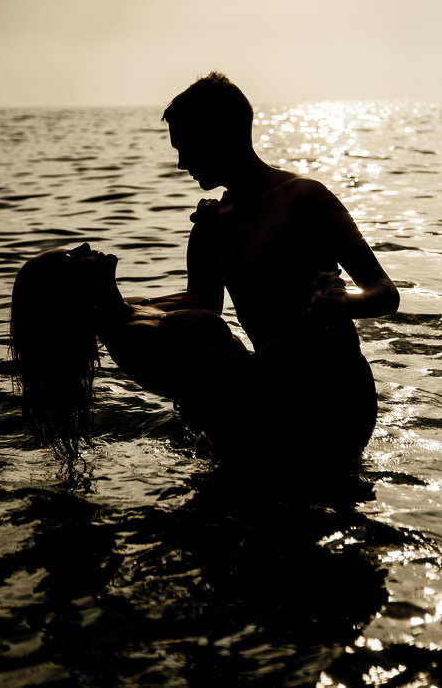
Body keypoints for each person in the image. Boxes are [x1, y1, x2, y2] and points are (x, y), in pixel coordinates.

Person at [161, 72, 400, 460]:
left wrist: (342, 303)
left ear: (223, 131)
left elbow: (384, 292)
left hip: (337, 392)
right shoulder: (211, 224)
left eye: (186, 146)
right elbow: (200, 308)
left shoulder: (306, 197)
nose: (181, 162)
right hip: (269, 383)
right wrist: (122, 305)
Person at [10, 243, 250, 460]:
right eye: (73, 256)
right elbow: (245, 376)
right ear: (70, 287)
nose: (85, 245)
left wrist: (204, 234)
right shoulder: (136, 336)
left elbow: (204, 299)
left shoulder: (131, 308)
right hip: (242, 442)